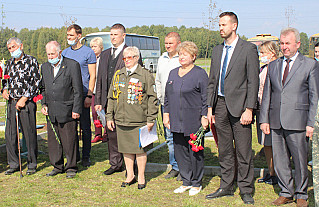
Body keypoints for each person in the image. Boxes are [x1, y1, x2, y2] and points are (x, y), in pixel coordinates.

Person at [260, 28, 319, 207]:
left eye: (288, 43)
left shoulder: (310, 65)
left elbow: (314, 96)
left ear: (297, 44)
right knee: (280, 159)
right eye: (282, 43)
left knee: (300, 160)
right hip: (276, 121)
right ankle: (286, 191)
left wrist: (311, 123)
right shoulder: (274, 65)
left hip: (298, 121)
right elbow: (267, 95)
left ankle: (301, 194)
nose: (284, 47)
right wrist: (264, 119)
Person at [205, 12, 259, 205]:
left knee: (243, 151)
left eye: (224, 25)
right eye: (219, 25)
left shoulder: (248, 49)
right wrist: (209, 108)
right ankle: (226, 185)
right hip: (220, 106)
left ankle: (245, 189)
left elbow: (253, 81)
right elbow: (212, 81)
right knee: (225, 150)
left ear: (234, 25)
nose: (221, 28)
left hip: (241, 108)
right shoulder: (217, 50)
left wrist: (249, 109)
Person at [106, 46, 158, 189]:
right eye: (124, 58)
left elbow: (153, 99)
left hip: (139, 120)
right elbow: (111, 97)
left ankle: (141, 176)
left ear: (136, 58)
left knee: (140, 150)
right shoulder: (119, 75)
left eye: (129, 57)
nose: (126, 60)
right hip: (122, 120)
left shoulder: (145, 75)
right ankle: (130, 175)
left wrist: (150, 118)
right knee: (126, 149)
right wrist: (109, 117)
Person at [95, 23, 143, 175]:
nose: (113, 37)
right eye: (111, 34)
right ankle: (115, 163)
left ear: (123, 35)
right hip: (108, 101)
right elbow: (100, 79)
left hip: (125, 101)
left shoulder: (131, 53)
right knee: (111, 133)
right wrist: (98, 101)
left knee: (128, 133)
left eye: (116, 34)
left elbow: (138, 79)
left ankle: (133, 164)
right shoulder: (104, 54)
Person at [163, 41, 208, 196]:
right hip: (175, 119)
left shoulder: (200, 73)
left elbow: (205, 97)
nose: (182, 57)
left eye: (185, 54)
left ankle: (196, 182)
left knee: (194, 152)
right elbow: (167, 96)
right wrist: (166, 113)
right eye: (180, 54)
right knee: (180, 151)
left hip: (193, 119)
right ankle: (186, 181)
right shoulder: (173, 73)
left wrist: (204, 116)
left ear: (193, 56)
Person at [41, 41, 83, 178]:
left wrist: (76, 109)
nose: (50, 56)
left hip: (68, 109)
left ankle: (71, 166)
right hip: (52, 110)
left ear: (59, 52)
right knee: (53, 141)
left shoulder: (72, 65)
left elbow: (77, 90)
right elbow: (44, 88)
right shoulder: (45, 67)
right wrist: (44, 104)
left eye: (52, 53)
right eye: (48, 54)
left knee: (69, 139)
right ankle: (57, 166)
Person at [2, 37, 41, 175]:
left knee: (29, 133)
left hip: (26, 103)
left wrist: (24, 98)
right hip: (12, 102)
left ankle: (32, 163)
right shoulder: (9, 63)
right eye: (9, 48)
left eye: (13, 47)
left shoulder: (31, 61)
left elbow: (36, 82)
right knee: (10, 134)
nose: (12, 50)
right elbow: (5, 79)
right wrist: (4, 90)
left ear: (21, 46)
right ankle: (13, 163)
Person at [62, 24, 96, 167]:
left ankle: (86, 155)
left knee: (85, 127)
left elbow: (93, 75)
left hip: (83, 94)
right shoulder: (64, 53)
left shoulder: (88, 53)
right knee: (71, 127)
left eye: (71, 35)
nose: (69, 38)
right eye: (68, 35)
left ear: (79, 36)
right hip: (69, 95)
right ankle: (73, 155)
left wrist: (89, 95)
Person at [155, 32, 181, 180]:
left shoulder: (181, 59)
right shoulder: (162, 59)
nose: (168, 45)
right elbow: (158, 80)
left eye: (171, 43)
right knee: (169, 136)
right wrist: (159, 97)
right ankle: (175, 166)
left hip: (180, 103)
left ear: (178, 43)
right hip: (166, 104)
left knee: (181, 135)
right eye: (166, 43)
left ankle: (184, 165)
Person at [255, 41, 280, 185]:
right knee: (266, 144)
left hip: (271, 113)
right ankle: (271, 173)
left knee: (274, 145)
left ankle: (277, 174)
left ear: (272, 53)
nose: (261, 55)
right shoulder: (264, 68)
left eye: (263, 53)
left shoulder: (275, 68)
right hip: (262, 111)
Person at [89, 37, 107, 143]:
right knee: (94, 113)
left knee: (103, 112)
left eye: (95, 46)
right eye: (91, 47)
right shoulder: (90, 59)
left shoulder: (104, 58)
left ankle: (106, 133)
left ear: (100, 47)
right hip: (93, 90)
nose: (93, 49)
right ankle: (97, 133)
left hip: (102, 90)